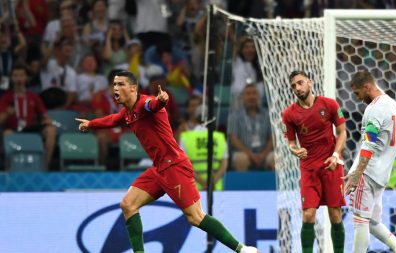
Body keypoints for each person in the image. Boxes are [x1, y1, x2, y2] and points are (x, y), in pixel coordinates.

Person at [75, 71, 257, 253]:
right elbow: (113, 119)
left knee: (195, 217)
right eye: (114, 84)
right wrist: (91, 124)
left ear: (133, 88)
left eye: (121, 84)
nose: (116, 88)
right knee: (128, 205)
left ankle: (242, 249)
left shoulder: (144, 104)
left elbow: (154, 104)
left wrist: (161, 99)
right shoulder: (128, 112)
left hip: (174, 166)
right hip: (159, 168)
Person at [344, 70, 396, 253]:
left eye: (358, 93)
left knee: (359, 219)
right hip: (382, 174)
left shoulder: (374, 109)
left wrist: (356, 174)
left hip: (367, 171)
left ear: (367, 87)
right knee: (372, 221)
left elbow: (368, 144)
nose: (357, 98)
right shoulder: (392, 104)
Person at [282, 70, 346, 253]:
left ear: (310, 82)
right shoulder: (289, 114)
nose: (297, 88)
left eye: (300, 83)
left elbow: (342, 132)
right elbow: (291, 143)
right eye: (293, 86)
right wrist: (296, 151)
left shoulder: (330, 104)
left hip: (331, 165)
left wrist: (335, 155)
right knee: (308, 215)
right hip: (309, 169)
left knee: (335, 215)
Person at [0, 64, 56, 170]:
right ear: (12, 79)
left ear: (25, 78)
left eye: (21, 75)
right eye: (15, 76)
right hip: (13, 129)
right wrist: (7, 114)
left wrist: (48, 120)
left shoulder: (33, 96)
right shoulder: (6, 97)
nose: (19, 79)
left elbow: (45, 115)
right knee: (7, 133)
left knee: (51, 130)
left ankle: (44, 166)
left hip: (30, 129)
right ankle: (9, 168)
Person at [179, 106, 228, 190]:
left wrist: (203, 183)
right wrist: (211, 184)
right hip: (215, 189)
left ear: (195, 119)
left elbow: (184, 165)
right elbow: (224, 165)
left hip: (193, 189)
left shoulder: (185, 137)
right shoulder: (220, 137)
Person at [228, 83, 274, 171]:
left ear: (258, 96)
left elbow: (273, 137)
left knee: (276, 158)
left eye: (254, 93)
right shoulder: (234, 116)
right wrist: (251, 155)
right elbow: (233, 139)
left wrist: (263, 154)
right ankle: (242, 185)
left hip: (264, 153)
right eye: (248, 94)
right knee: (241, 159)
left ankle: (275, 185)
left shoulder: (267, 114)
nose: (251, 97)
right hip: (243, 153)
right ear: (242, 97)